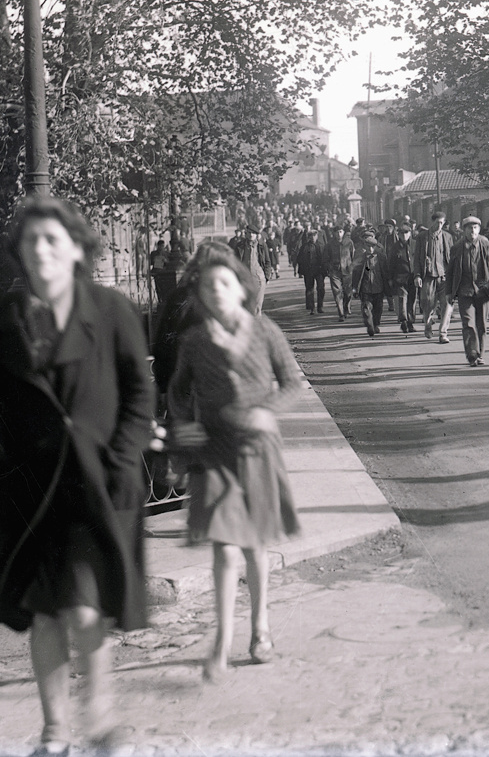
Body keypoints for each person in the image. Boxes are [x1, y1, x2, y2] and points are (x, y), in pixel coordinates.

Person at [0, 196, 154, 756]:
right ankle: (55, 730)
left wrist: (122, 457)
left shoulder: (110, 311)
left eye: (53, 239)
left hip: (97, 489)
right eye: (32, 242)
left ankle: (99, 720)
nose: (42, 250)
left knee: (83, 606)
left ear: (77, 247)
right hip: (28, 494)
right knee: (45, 615)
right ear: (20, 254)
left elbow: (140, 391)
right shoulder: (2, 324)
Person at [167, 250, 302, 680]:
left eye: (224, 284)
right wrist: (184, 426)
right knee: (224, 548)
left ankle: (260, 627)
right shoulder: (194, 342)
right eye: (208, 286)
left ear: (241, 288)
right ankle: (221, 641)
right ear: (200, 295)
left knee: (253, 546)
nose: (216, 292)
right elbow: (176, 392)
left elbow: (292, 382)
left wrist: (267, 411)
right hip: (213, 453)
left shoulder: (265, 331)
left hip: (257, 450)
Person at [449, 216, 489, 367]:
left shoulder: (487, 245)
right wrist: (449, 293)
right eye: (469, 228)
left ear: (479, 229)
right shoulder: (457, 247)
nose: (472, 231)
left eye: (475, 227)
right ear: (464, 230)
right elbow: (450, 271)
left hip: (483, 291)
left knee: (481, 324)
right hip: (465, 291)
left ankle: (480, 353)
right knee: (468, 323)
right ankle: (472, 354)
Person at [414, 211, 454, 343]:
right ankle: (428, 323)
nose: (439, 225)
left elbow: (451, 258)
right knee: (427, 303)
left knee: (447, 305)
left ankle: (443, 333)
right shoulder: (422, 237)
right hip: (428, 276)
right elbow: (417, 259)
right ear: (432, 222)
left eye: (442, 223)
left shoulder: (447, 237)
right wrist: (417, 275)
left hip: (444, 276)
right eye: (437, 222)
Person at [352, 232, 392, 336]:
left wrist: (388, 284)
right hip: (365, 288)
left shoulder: (382, 257)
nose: (370, 249)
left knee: (378, 308)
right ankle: (369, 324)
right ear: (364, 246)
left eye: (373, 246)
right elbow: (355, 274)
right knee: (366, 308)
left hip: (379, 287)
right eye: (368, 246)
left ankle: (375, 324)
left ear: (376, 247)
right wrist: (354, 288)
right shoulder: (360, 258)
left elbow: (386, 272)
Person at [388, 222, 418, 333]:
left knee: (412, 300)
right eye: (402, 233)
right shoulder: (395, 247)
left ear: (410, 233)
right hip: (400, 277)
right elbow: (391, 263)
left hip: (413, 277)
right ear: (398, 234)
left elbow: (419, 260)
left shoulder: (415, 244)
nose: (404, 235)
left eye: (406, 232)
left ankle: (410, 322)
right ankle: (404, 321)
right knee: (402, 299)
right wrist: (390, 278)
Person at [324, 224, 356, 321]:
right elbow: (325, 258)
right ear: (333, 233)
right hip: (335, 271)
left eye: (341, 232)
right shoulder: (329, 244)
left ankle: (346, 308)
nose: (339, 234)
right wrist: (329, 269)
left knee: (348, 293)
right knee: (337, 292)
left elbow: (353, 256)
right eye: (337, 232)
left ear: (344, 233)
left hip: (347, 271)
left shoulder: (349, 242)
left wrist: (352, 267)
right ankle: (341, 313)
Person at [297, 227, 327, 314]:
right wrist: (301, 271)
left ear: (317, 236)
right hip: (308, 271)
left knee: (321, 288)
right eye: (311, 236)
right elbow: (299, 259)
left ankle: (320, 307)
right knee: (309, 289)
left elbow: (325, 258)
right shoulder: (304, 247)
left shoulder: (321, 246)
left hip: (319, 270)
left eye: (314, 236)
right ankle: (312, 308)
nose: (313, 238)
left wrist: (325, 269)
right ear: (308, 237)